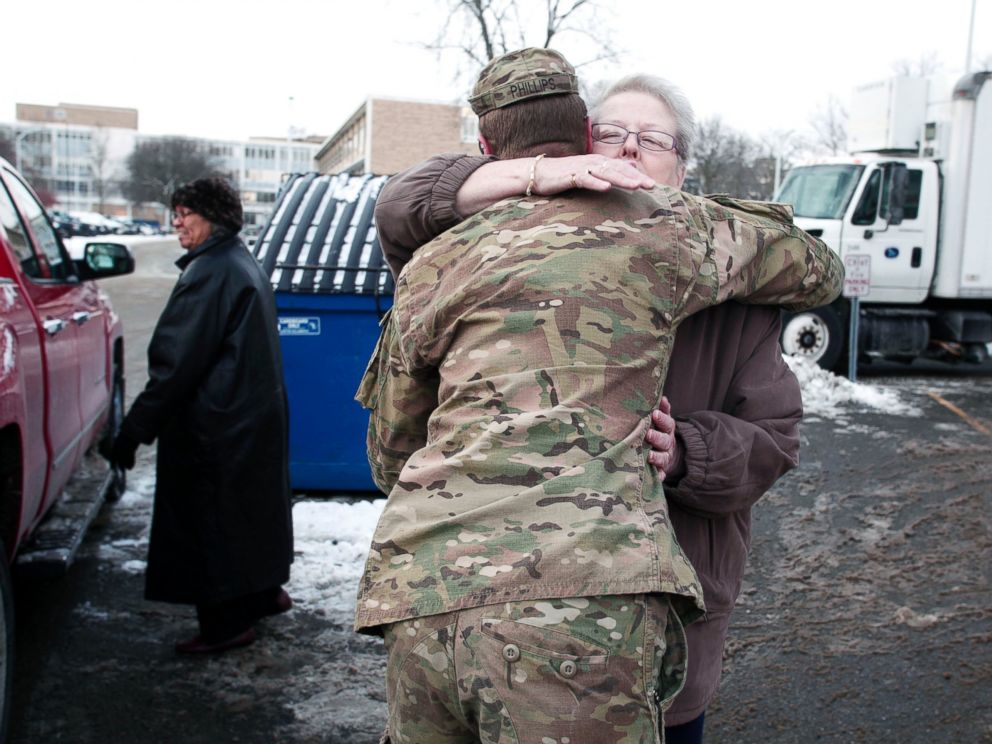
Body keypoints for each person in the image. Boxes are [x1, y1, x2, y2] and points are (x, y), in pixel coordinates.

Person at [356, 47, 842, 743]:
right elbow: (401, 204)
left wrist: (689, 454)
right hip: (591, 605)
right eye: (612, 136)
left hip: (444, 594)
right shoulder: (669, 234)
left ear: (684, 165)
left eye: (653, 141)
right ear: (581, 143)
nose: (628, 153)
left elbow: (392, 456)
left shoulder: (442, 262)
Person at [111, 177, 294, 654]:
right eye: (175, 212)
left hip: (215, 427)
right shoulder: (238, 260)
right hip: (250, 418)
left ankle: (225, 625)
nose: (176, 221)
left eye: (185, 212)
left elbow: (176, 364)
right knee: (249, 514)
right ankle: (263, 592)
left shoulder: (210, 272)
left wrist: (132, 432)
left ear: (212, 216)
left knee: (211, 524)